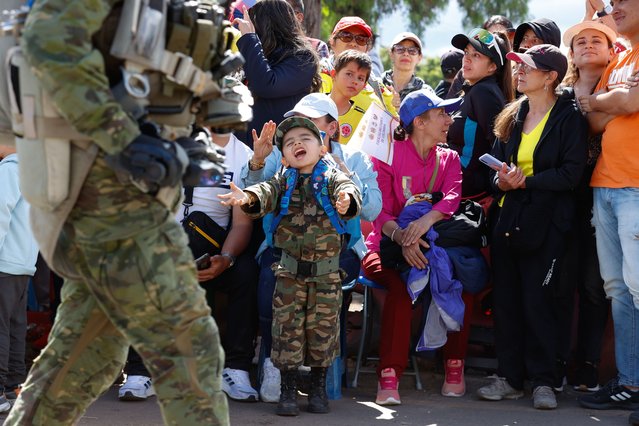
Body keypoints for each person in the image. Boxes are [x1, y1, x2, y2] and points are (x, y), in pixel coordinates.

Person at [4, 1, 236, 424]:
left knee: (83, 360)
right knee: (190, 347)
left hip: (133, 203)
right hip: (105, 203)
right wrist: (124, 137)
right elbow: (49, 44)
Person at [241, 93, 381, 402]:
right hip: (284, 251)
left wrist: (347, 180)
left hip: (338, 253)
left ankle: (320, 380)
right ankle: (277, 366)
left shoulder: (354, 159)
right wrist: (258, 160)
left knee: (325, 317)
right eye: (295, 124)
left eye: (312, 124)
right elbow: (255, 191)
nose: (299, 131)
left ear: (331, 129)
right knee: (269, 291)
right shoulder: (284, 156)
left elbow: (371, 209)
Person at [220, 117, 362, 416]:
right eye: (290, 141)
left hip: (326, 274)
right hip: (289, 273)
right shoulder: (283, 179)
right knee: (287, 331)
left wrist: (347, 200)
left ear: (322, 148)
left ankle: (318, 388)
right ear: (283, 156)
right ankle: (287, 389)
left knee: (323, 332)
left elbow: (349, 190)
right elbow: (264, 192)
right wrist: (247, 197)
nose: (298, 143)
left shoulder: (332, 177)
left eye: (305, 138)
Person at [477, 44, 587, 410]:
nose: (519, 72)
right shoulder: (512, 114)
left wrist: (527, 182)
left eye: (527, 67)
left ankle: (545, 381)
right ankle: (509, 378)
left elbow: (572, 174)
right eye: (518, 65)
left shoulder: (569, 116)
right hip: (509, 220)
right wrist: (503, 183)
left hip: (549, 226)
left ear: (551, 76)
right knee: (506, 301)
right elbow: (493, 174)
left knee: (541, 302)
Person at [361, 89, 463, 406]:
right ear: (419, 122)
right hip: (385, 245)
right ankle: (389, 374)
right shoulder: (387, 156)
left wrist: (423, 225)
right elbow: (379, 210)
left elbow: (452, 198)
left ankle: (454, 366)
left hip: (434, 244)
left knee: (462, 280)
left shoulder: (449, 157)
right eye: (441, 114)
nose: (448, 120)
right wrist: (403, 238)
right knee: (401, 286)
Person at [437, 28, 512, 398]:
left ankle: (455, 362)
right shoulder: (468, 90)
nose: (467, 59)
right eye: (465, 52)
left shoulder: (486, 94)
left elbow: (500, 153)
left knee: (458, 271)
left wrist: (486, 195)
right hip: (454, 200)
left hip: (473, 205)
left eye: (477, 55)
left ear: (494, 65)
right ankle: (447, 358)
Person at [575, 0, 639, 421]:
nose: (614, 6)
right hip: (605, 187)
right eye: (610, 1)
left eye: (623, 0)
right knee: (618, 290)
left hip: (635, 187)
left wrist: (611, 102)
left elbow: (631, 104)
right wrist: (613, 100)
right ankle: (631, 383)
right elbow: (593, 118)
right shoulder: (620, 58)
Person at [554, 19, 616, 393]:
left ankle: (589, 364)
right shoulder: (558, 93)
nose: (589, 45)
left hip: (605, 195)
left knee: (595, 286)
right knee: (560, 286)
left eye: (597, 40)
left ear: (611, 50)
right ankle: (556, 363)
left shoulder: (619, 84)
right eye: (581, 41)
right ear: (572, 53)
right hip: (561, 199)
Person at [234, 0, 321, 147]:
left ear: (269, 25)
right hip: (243, 150)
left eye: (255, 23)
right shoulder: (256, 53)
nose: (252, 29)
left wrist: (249, 39)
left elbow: (267, 85)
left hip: (278, 154)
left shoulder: (303, 57)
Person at [0, 146, 38, 414]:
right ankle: (14, 388)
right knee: (14, 327)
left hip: (4, 262)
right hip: (23, 264)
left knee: (2, 328)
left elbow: (0, 212)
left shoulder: (10, 169)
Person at [321, 16, 396, 116]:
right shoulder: (315, 75)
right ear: (332, 41)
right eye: (346, 36)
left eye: (361, 39)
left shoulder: (376, 85)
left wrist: (397, 106)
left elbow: (393, 122)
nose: (353, 43)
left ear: (367, 48)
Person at [329, 50, 380, 144]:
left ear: (364, 85)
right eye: (349, 74)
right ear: (334, 74)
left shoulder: (365, 119)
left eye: (360, 78)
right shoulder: (313, 107)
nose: (355, 81)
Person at [382, 32, 427, 108]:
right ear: (391, 54)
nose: (406, 54)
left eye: (412, 50)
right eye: (400, 49)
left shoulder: (426, 93)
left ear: (419, 57)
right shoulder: (375, 84)